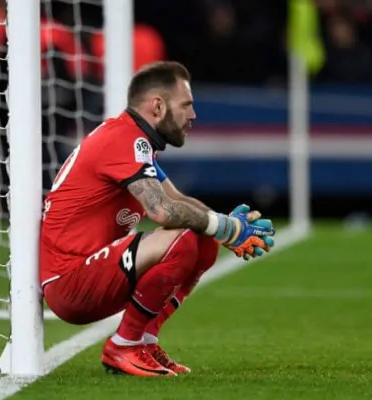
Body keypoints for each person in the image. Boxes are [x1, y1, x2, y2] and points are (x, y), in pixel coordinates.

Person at [39, 61, 276, 377]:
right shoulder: (125, 139)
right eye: (186, 105)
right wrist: (226, 227)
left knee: (203, 237)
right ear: (158, 106)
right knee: (184, 236)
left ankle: (144, 342)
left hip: (94, 273)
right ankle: (123, 345)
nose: (193, 115)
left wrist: (222, 226)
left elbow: (178, 200)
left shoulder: (134, 140)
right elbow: (162, 211)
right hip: (70, 282)